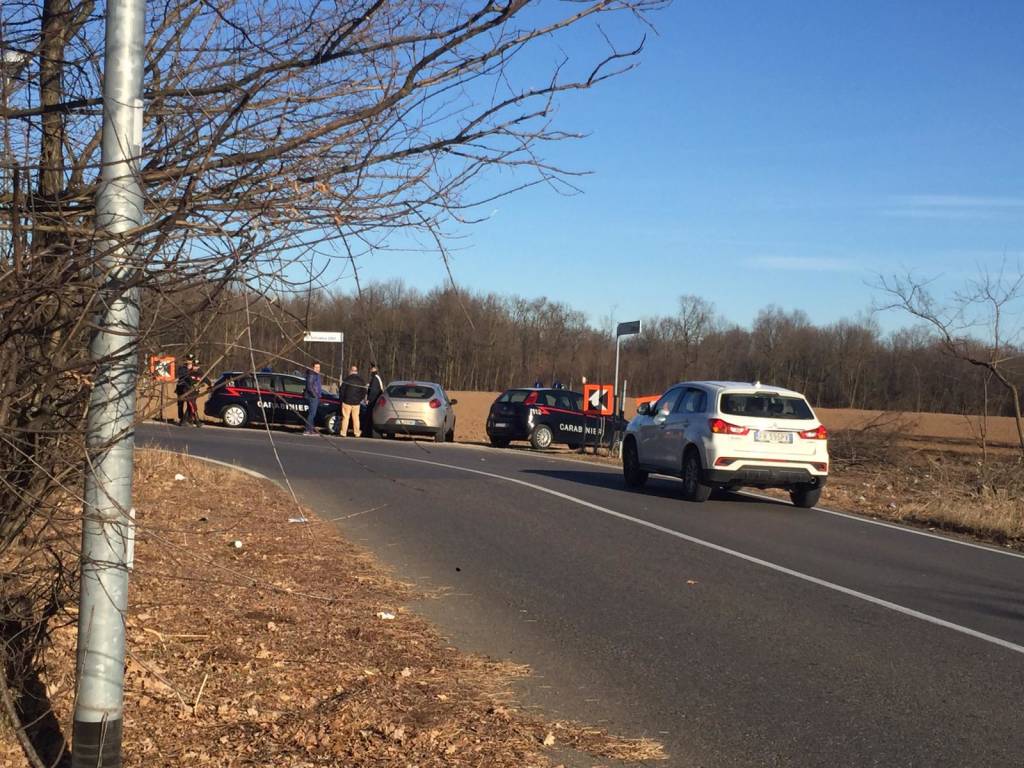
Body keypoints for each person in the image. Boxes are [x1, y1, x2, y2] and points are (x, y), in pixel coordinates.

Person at [338, 365, 366, 437]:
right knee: (356, 418)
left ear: (351, 371)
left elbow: (342, 390)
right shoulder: (361, 381)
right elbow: (364, 391)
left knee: (346, 417)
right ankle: (357, 433)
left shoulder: (347, 379)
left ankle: (343, 432)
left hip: (347, 401)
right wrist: (360, 399)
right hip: (356, 403)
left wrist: (342, 399)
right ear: (357, 371)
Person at [362, 362, 384, 437]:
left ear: (376, 369)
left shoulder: (375, 379)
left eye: (373, 368)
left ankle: (366, 433)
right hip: (374, 401)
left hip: (373, 402)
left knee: (369, 417)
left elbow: (373, 391)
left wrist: (369, 399)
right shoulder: (376, 378)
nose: (371, 369)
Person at [302, 361, 322, 435]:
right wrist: (315, 395)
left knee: (312, 414)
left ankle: (311, 429)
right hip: (312, 397)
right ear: (312, 367)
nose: (318, 369)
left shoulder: (317, 375)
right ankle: (307, 430)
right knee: (312, 414)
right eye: (316, 367)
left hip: (316, 396)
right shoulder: (312, 374)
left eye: (319, 367)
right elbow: (309, 386)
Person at [175, 354, 195, 424]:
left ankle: (189, 419)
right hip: (181, 388)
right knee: (180, 404)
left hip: (190, 389)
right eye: (188, 359)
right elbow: (182, 377)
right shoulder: (182, 368)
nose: (189, 361)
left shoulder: (195, 368)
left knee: (190, 404)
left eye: (191, 360)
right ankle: (181, 417)